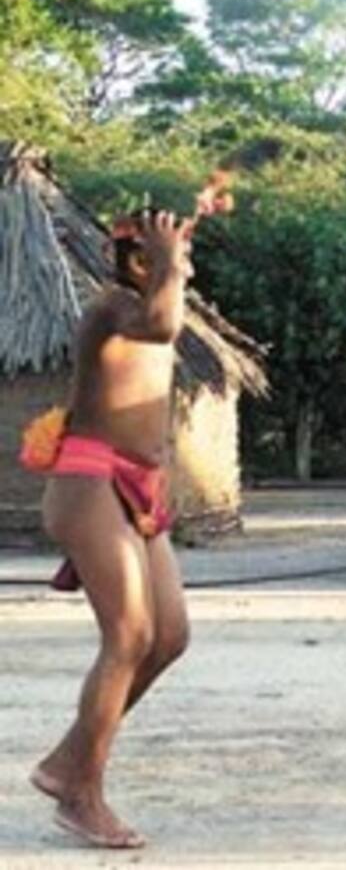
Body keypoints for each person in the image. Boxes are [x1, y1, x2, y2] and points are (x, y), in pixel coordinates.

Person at [21, 209, 195, 849]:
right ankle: (82, 792)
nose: (189, 265)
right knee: (130, 634)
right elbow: (163, 321)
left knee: (169, 635)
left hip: (139, 486)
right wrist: (170, 258)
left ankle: (68, 762)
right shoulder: (113, 308)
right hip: (89, 480)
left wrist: (170, 261)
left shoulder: (145, 304)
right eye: (177, 258)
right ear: (144, 260)